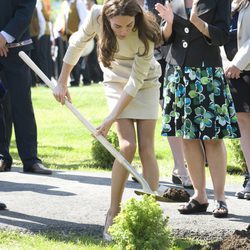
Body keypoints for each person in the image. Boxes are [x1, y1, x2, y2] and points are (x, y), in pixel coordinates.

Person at [53, 0, 162, 240]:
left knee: (146, 148)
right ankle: (114, 212)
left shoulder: (148, 31)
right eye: (117, 26)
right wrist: (62, 81)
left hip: (145, 84)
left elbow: (136, 82)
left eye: (128, 25)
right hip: (114, 80)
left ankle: (147, 212)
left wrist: (110, 118)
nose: (122, 31)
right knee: (127, 146)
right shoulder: (95, 14)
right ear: (108, 19)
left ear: (137, 19)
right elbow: (77, 43)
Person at [156, 0, 240, 218]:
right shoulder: (172, 1)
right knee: (187, 137)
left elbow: (222, 36)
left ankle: (220, 198)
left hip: (206, 76)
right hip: (177, 74)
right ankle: (199, 196)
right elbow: (163, 40)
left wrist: (198, 23)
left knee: (213, 139)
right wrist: (167, 24)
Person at [0, 0, 52, 175]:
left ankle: (30, 160)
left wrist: (4, 36)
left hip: (17, 49)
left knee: (21, 104)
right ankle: (2, 157)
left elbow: (25, 10)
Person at [146, 0, 192, 189]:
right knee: (169, 112)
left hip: (180, 53)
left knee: (180, 113)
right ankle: (180, 168)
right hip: (157, 55)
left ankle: (182, 167)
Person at [224, 0, 250, 200]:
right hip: (235, 73)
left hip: (241, 67)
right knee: (243, 123)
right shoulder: (229, 3)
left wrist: (238, 63)